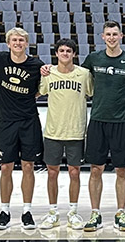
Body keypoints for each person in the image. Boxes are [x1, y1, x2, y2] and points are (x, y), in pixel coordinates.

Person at [79, 21, 125, 232]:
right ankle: (95, 213)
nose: (111, 37)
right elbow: (77, 77)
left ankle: (121, 213)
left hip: (121, 122)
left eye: (115, 34)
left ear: (121, 36)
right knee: (95, 169)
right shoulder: (93, 58)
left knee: (122, 170)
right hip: (98, 120)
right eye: (108, 34)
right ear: (102, 36)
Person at [0, 27, 45, 230]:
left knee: (28, 166)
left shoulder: (36, 64)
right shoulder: (1, 59)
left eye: (21, 40)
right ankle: (4, 211)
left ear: (26, 43)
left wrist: (29, 96)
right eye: (14, 40)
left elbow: (41, 89)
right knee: (6, 167)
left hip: (29, 120)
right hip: (7, 120)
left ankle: (27, 211)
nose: (18, 43)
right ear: (8, 43)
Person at [37, 39, 92, 230]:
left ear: (74, 54)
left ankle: (73, 212)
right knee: (52, 172)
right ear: (56, 53)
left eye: (69, 51)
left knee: (74, 172)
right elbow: (39, 92)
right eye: (61, 50)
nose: (65, 53)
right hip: (53, 131)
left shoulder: (84, 74)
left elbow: (92, 93)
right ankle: (52, 212)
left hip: (75, 131)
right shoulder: (48, 73)